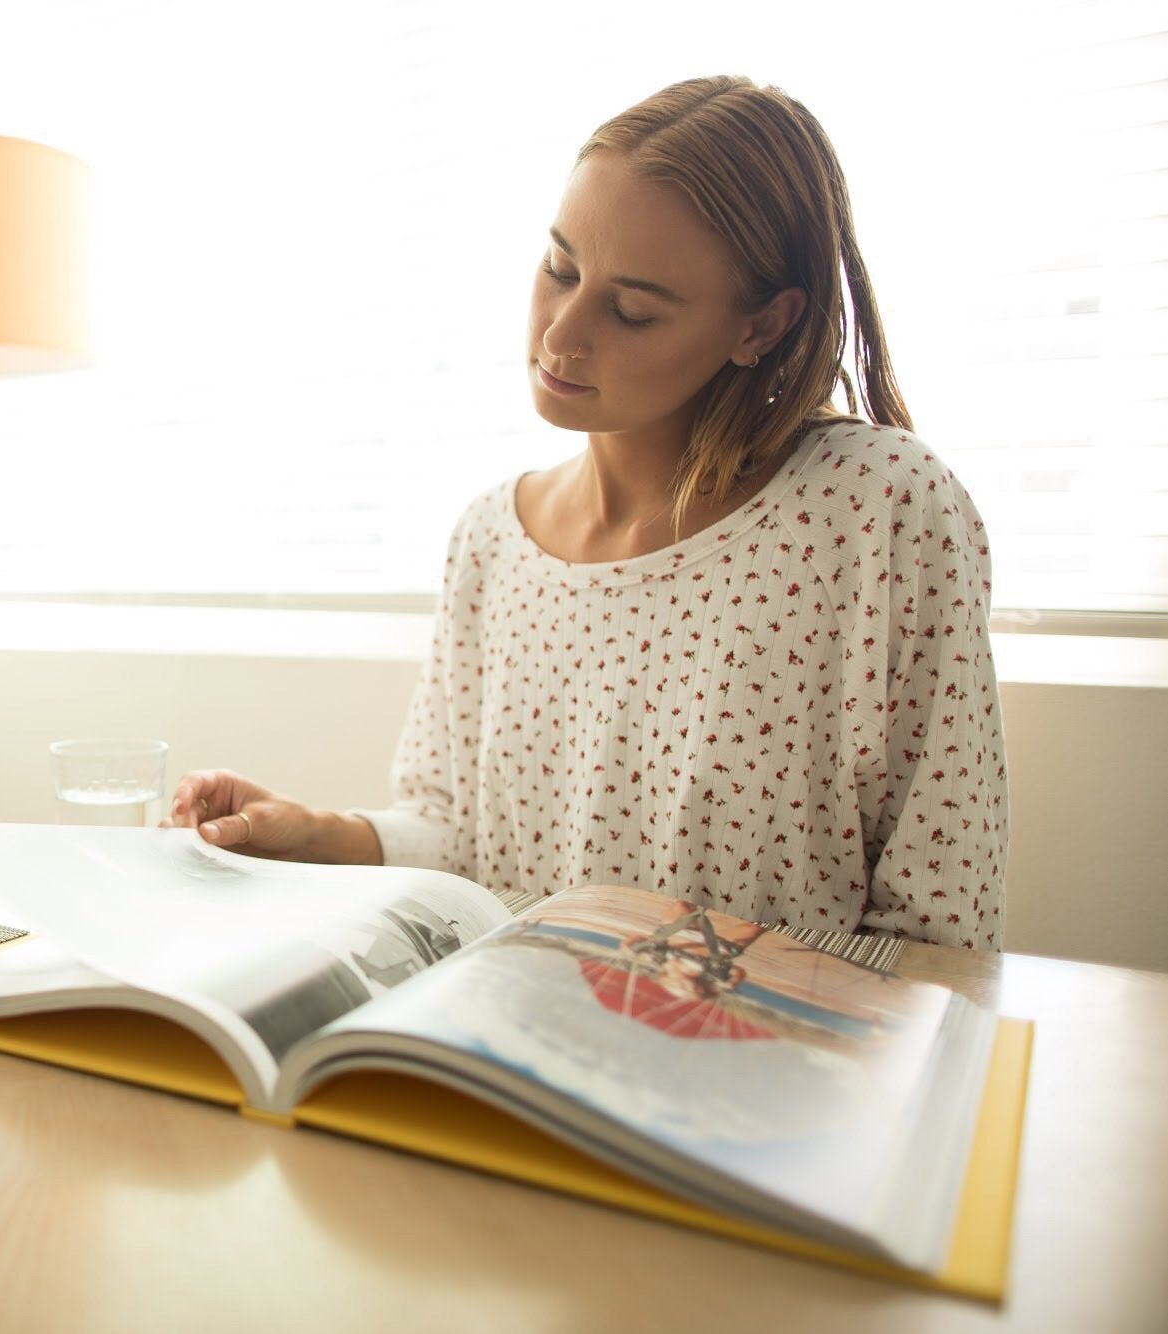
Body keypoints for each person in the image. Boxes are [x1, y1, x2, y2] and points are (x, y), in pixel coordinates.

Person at [167, 75, 1007, 950]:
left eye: (633, 310)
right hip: (504, 1057)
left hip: (774, 1076)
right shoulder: (492, 537)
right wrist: (314, 833)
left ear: (761, 325)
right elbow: (460, 843)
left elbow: (939, 914)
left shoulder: (875, 514)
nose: (561, 334)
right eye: (559, 269)